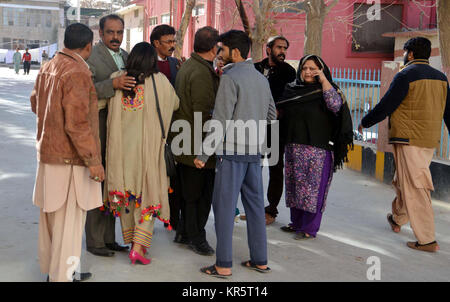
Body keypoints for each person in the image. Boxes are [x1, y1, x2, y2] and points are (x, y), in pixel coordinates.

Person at [195, 30, 276, 278]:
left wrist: (203, 154)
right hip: (255, 153)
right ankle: (260, 260)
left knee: (224, 208)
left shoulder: (230, 79)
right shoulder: (261, 79)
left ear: (236, 52)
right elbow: (272, 115)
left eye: (222, 49)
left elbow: (221, 119)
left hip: (231, 154)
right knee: (254, 207)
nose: (219, 53)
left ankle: (223, 265)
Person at [359, 37, 450, 252]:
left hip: (409, 139)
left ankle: (427, 239)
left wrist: (365, 121)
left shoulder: (406, 75)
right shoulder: (441, 78)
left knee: (416, 187)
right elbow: (449, 111)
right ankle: (398, 219)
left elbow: (387, 105)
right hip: (428, 140)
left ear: (410, 54)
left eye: (404, 51)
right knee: (403, 180)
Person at [30, 23, 103, 282]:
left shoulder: (49, 65)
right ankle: (64, 275)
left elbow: (34, 103)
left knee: (52, 223)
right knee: (69, 225)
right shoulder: (77, 72)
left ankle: (56, 272)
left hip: (49, 156)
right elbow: (77, 124)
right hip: (71, 160)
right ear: (87, 46)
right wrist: (94, 161)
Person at [103, 42, 180, 265]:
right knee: (148, 195)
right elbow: (175, 104)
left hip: (121, 152)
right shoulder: (161, 82)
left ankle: (132, 241)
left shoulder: (118, 77)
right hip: (148, 152)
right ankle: (138, 247)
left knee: (127, 195)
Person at [278, 54, 353, 240]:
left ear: (321, 70)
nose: (308, 72)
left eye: (313, 68)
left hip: (317, 150)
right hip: (294, 147)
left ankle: (309, 228)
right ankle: (296, 223)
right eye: (304, 68)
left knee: (313, 191)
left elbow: (336, 106)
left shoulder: (327, 90)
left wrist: (324, 81)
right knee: (295, 187)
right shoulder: (292, 89)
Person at [169, 26, 220, 255]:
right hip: (196, 145)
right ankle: (196, 237)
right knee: (198, 197)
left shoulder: (190, 65)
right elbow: (204, 113)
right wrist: (207, 149)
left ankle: (183, 231)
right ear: (214, 48)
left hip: (185, 141)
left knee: (187, 194)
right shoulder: (200, 72)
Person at [85, 14, 132, 257]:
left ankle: (109, 238)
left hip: (120, 129)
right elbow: (83, 91)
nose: (116, 37)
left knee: (113, 181)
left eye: (120, 32)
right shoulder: (91, 57)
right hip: (99, 128)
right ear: (101, 34)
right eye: (111, 32)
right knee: (97, 182)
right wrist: (111, 86)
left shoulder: (126, 57)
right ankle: (94, 242)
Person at [254, 36, 296, 225]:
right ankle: (254, 208)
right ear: (268, 49)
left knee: (275, 169)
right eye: (279, 47)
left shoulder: (289, 72)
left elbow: (291, 98)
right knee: (253, 168)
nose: (282, 51)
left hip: (276, 128)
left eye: (285, 48)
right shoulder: (255, 68)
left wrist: (280, 111)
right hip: (254, 127)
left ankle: (271, 210)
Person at [150, 24, 184, 233]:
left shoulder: (175, 64)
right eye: (168, 42)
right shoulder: (145, 63)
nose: (172, 46)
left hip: (172, 127)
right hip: (150, 127)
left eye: (174, 41)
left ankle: (171, 216)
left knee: (171, 171)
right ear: (156, 43)